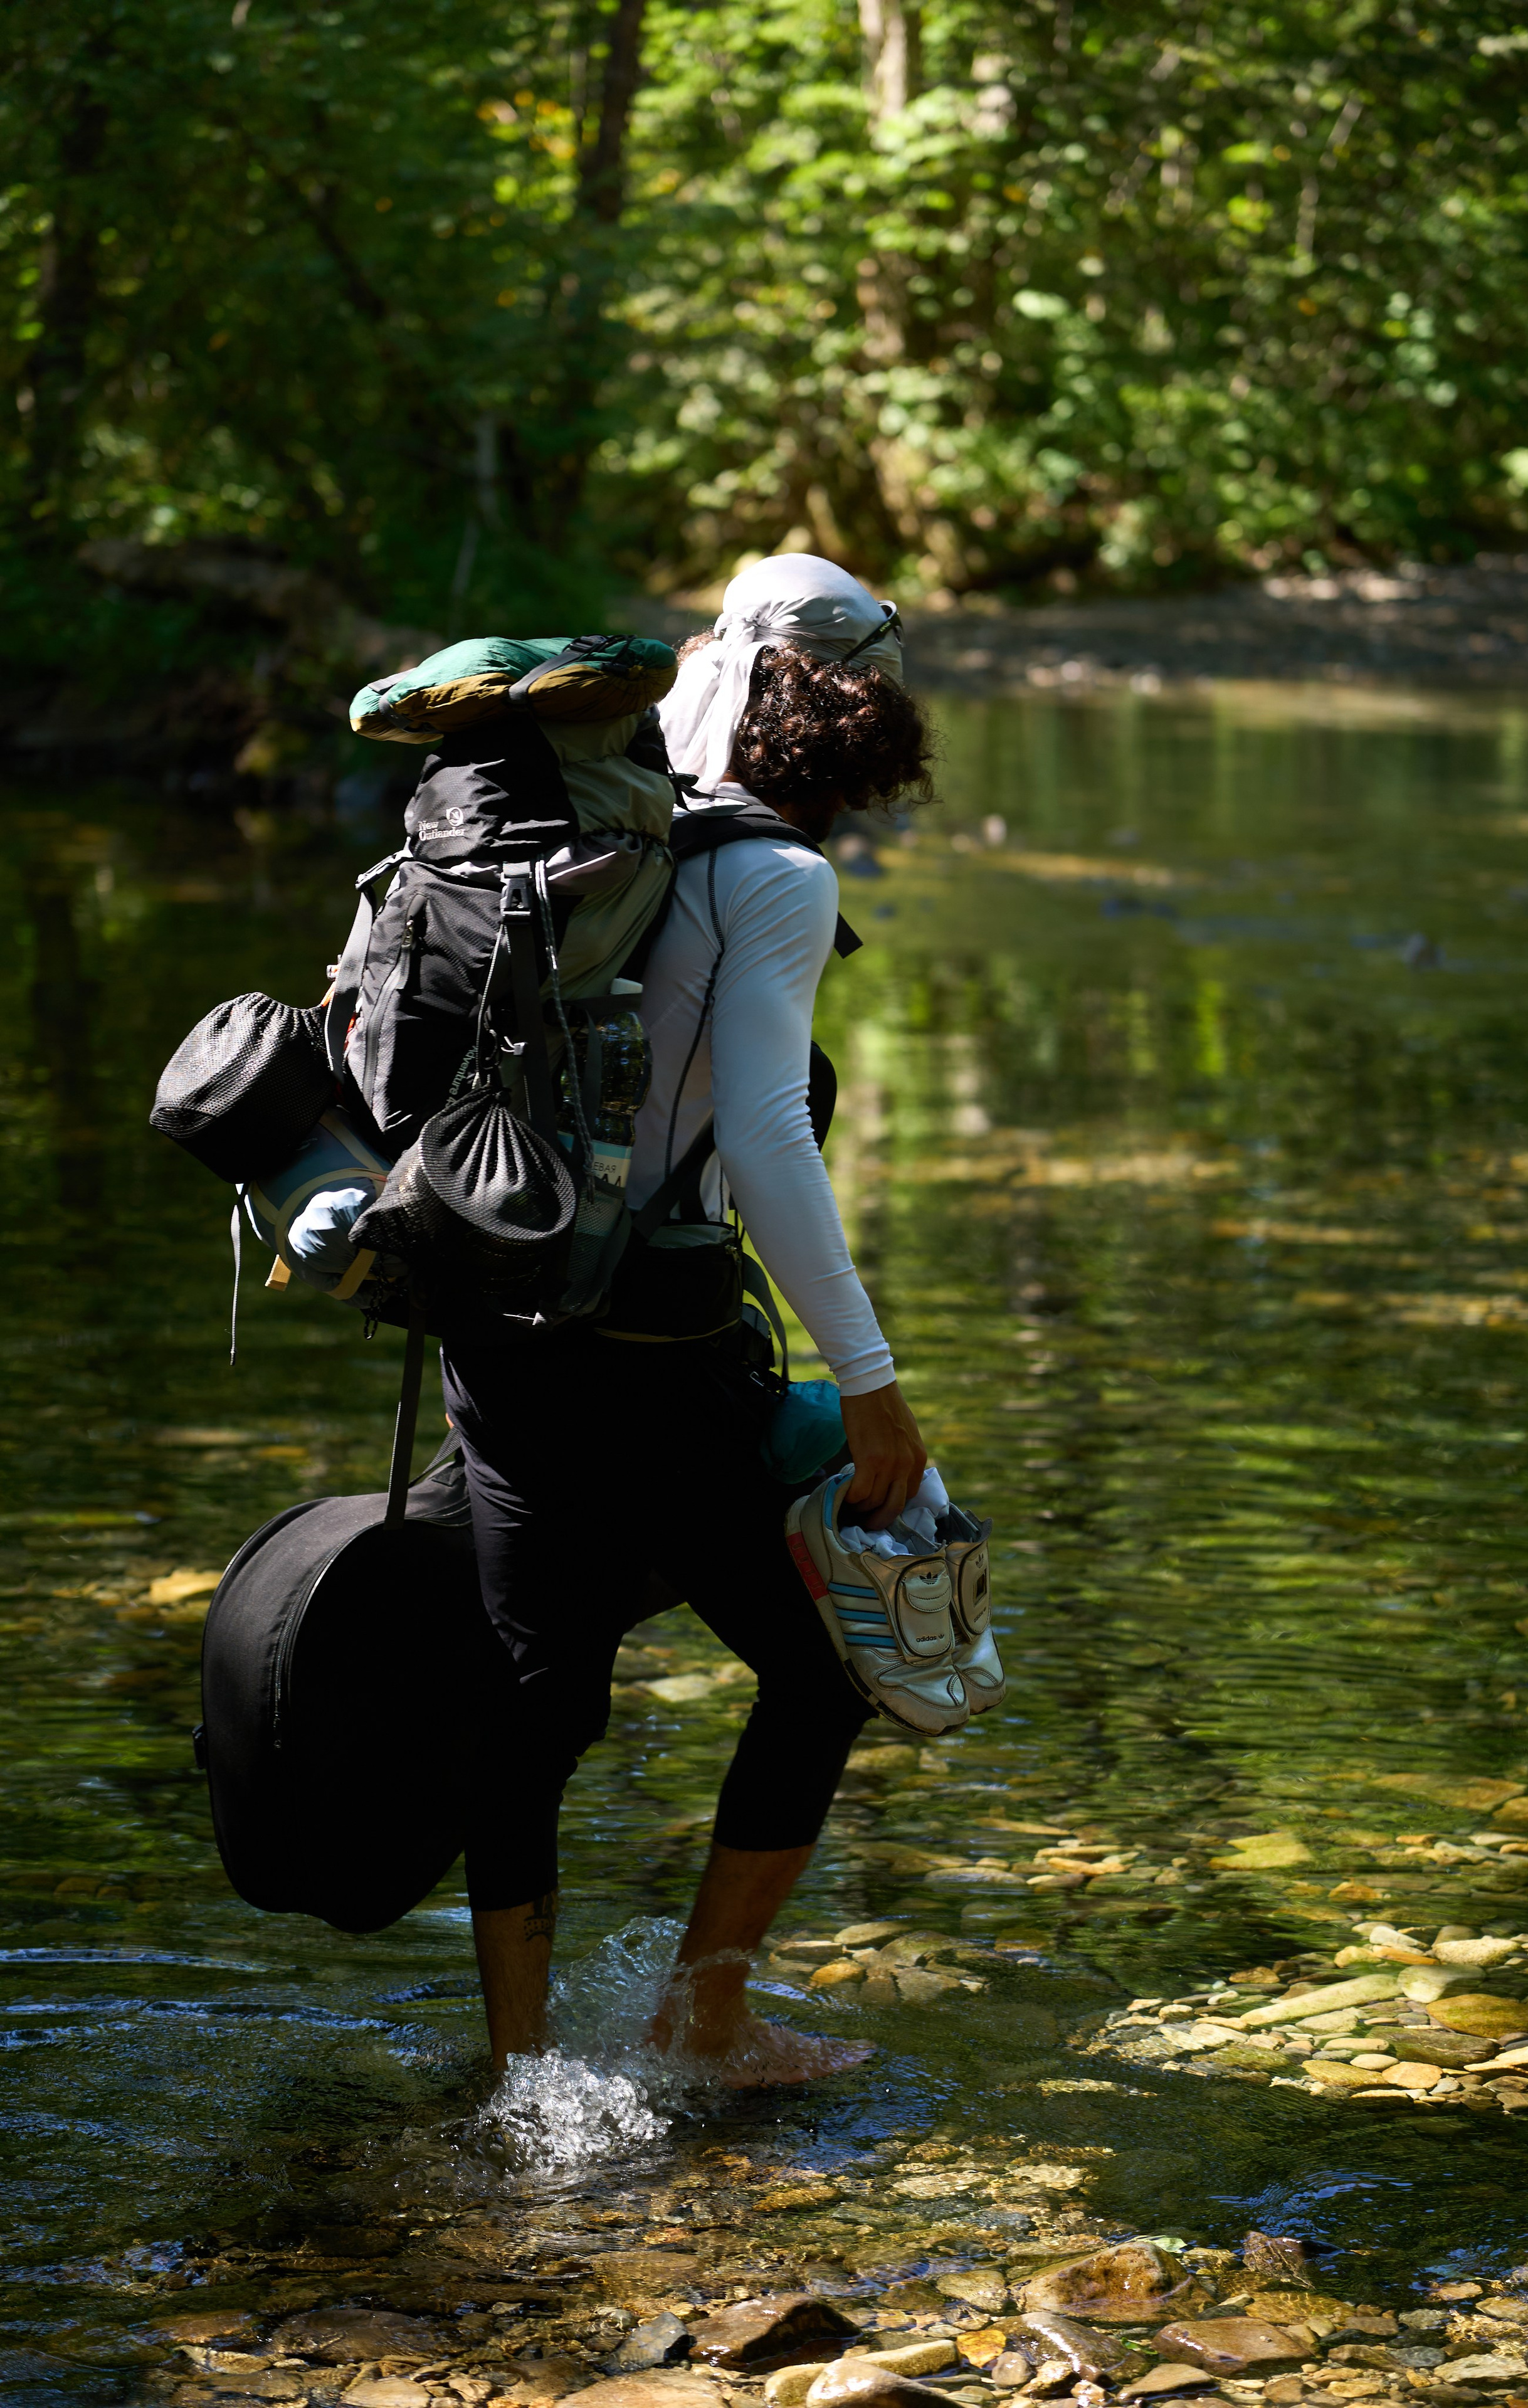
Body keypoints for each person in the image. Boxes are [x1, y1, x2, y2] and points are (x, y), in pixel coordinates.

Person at [443, 555, 934, 2086]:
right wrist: (869, 1381)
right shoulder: (772, 876)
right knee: (827, 1664)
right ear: (849, 706)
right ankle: (704, 2020)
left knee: (534, 1701)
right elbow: (772, 1142)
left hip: (494, 1316)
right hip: (654, 1352)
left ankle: (523, 2081)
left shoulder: (581, 839)